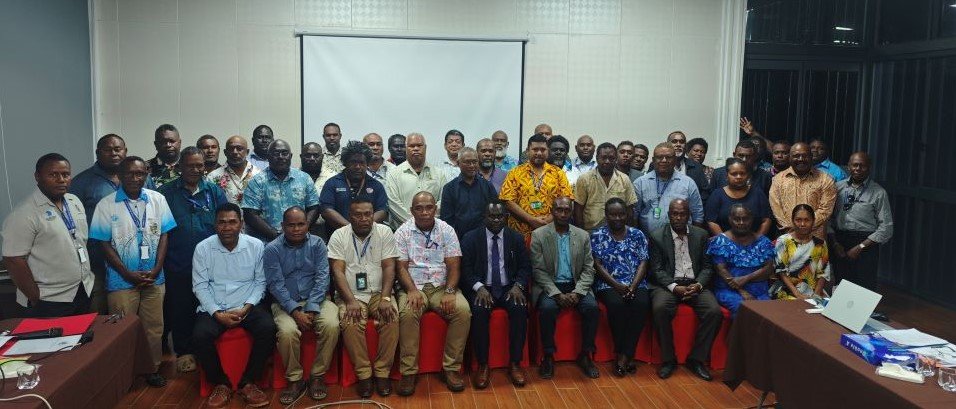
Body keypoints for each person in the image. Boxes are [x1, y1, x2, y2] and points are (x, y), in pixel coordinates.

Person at [89, 156, 176, 387]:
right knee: (121, 330)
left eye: (140, 174)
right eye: (129, 174)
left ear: (146, 175)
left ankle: (152, 368)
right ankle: (123, 374)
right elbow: (103, 243)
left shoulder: (158, 199)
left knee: (154, 328)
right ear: (119, 176)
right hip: (121, 280)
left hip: (154, 278)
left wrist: (157, 268)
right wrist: (126, 273)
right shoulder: (106, 204)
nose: (135, 178)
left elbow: (165, 234)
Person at [192, 203, 274, 408]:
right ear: (215, 225)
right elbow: (200, 286)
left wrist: (247, 306)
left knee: (268, 328)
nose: (227, 227)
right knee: (200, 335)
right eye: (222, 222)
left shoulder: (255, 245)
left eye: (232, 222)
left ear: (241, 224)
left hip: (247, 305)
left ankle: (249, 382)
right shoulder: (203, 248)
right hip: (215, 305)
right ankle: (221, 383)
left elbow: (260, 282)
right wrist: (217, 313)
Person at [158, 147, 228, 373]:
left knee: (209, 307)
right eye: (190, 165)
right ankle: (184, 351)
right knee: (180, 308)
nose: (196, 170)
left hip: (212, 264)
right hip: (178, 262)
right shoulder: (165, 194)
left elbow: (225, 222)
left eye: (200, 165)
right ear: (180, 167)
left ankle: (208, 349)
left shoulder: (214, 192)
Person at [393, 192, 470, 395]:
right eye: (419, 208)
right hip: (413, 285)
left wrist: (450, 291)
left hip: (441, 285)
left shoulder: (446, 230)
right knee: (407, 313)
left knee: (462, 311)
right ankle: (409, 372)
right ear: (412, 211)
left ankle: (451, 368)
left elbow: (454, 264)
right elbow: (400, 267)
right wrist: (411, 290)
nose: (425, 212)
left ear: (435, 209)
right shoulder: (402, 232)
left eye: (429, 207)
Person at [71, 134, 155, 313]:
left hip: (141, 262)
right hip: (99, 262)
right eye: (107, 150)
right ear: (97, 152)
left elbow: (155, 211)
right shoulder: (81, 182)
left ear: (125, 151)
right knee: (102, 314)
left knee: (145, 316)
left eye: (118, 149)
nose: (114, 153)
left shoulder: (144, 178)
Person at [3, 153, 93, 317]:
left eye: (66, 174)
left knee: (84, 334)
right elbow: (13, 260)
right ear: (37, 177)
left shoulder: (74, 201)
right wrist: (35, 297)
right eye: (53, 175)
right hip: (50, 300)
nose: (61, 180)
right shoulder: (24, 213)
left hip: (82, 290)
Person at [264, 207, 338, 404]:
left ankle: (317, 376)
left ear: (307, 225)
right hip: (285, 302)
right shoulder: (272, 249)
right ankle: (294, 379)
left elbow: (323, 277)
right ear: (283, 226)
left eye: (301, 224)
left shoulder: (318, 244)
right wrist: (295, 311)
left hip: (318, 299)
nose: (296, 229)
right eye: (291, 225)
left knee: (331, 324)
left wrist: (312, 308)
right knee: (287, 332)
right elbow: (275, 285)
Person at [328, 197, 400, 398]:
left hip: (379, 292)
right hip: (351, 294)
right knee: (350, 321)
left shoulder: (384, 232)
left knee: (392, 317)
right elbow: (337, 271)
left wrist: (386, 298)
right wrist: (350, 301)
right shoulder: (339, 235)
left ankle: (382, 373)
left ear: (373, 214)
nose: (364, 219)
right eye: (358, 215)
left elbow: (389, 266)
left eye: (368, 214)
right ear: (350, 216)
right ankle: (364, 375)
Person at [647, 199, 722, 381]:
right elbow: (657, 270)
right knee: (660, 308)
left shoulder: (701, 235)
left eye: (682, 214)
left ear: (689, 216)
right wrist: (674, 287)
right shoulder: (657, 236)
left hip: (695, 284)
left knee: (714, 312)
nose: (678, 218)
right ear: (668, 215)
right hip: (668, 285)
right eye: (675, 214)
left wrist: (698, 285)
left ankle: (696, 359)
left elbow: (707, 267)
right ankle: (668, 360)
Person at [459, 200, 530, 388]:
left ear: (506, 217)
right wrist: (478, 287)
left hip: (509, 288)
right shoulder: (470, 238)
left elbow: (525, 267)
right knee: (479, 311)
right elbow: (465, 269)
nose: (496, 220)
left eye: (500, 216)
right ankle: (483, 365)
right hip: (483, 288)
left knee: (520, 309)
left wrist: (518, 286)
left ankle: (515, 363)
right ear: (484, 217)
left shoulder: (516, 238)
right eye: (492, 216)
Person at [531, 196, 600, 379]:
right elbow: (538, 271)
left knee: (592, 308)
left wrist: (578, 292)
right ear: (552, 211)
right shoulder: (539, 235)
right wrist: (556, 294)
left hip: (576, 284)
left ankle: (585, 355)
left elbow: (588, 269)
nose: (563, 214)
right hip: (550, 284)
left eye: (567, 210)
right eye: (559, 210)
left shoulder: (582, 235)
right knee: (547, 309)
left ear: (571, 212)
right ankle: (548, 356)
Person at [591, 198, 650, 377]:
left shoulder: (637, 234)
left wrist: (633, 286)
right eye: (613, 214)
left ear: (627, 214)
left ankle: (623, 355)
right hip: (608, 283)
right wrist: (616, 285)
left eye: (621, 214)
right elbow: (597, 264)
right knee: (616, 305)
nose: (617, 218)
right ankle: (626, 355)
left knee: (641, 304)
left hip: (635, 282)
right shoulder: (597, 235)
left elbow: (643, 262)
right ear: (606, 215)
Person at [829, 152, 893, 292]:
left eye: (862, 166)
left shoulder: (878, 192)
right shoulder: (837, 188)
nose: (858, 168)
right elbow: (828, 219)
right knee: (841, 284)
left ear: (869, 168)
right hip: (840, 242)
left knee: (864, 287)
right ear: (849, 166)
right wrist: (835, 243)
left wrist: (861, 247)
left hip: (866, 243)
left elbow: (886, 228)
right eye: (855, 165)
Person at [499, 133, 573, 243]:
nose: (539, 153)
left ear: (547, 151)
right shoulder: (515, 172)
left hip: (550, 231)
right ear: (527, 151)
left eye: (543, 150)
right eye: (535, 149)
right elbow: (508, 201)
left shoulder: (558, 173)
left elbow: (566, 199)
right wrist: (530, 219)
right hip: (520, 233)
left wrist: (547, 220)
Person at [241, 139, 320, 242]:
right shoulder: (256, 181)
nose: (280, 157)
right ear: (268, 157)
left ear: (290, 156)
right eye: (276, 153)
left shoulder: (304, 178)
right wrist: (277, 236)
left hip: (301, 242)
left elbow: (314, 208)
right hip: (268, 243)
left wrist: (301, 231)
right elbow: (250, 215)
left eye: (284, 153)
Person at [706, 204, 776, 317]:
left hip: (760, 290)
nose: (741, 222)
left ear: (751, 219)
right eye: (737, 219)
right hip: (730, 290)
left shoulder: (763, 242)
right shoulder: (721, 242)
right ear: (730, 219)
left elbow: (768, 269)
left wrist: (746, 278)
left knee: (769, 313)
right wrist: (743, 292)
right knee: (743, 309)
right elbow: (722, 271)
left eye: (745, 219)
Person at [769, 142, 837, 240]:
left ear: (811, 157)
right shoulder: (778, 180)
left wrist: (802, 228)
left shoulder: (826, 180)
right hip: (786, 237)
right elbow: (776, 208)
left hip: (815, 239)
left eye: (805, 156)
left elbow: (825, 210)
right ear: (790, 158)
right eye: (796, 156)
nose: (801, 159)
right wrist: (793, 229)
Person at [634, 142, 705, 233]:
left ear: (675, 160)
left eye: (668, 157)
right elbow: (634, 215)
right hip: (647, 238)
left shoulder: (688, 183)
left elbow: (697, 214)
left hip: (680, 238)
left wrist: (693, 237)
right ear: (653, 160)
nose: (664, 160)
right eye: (659, 157)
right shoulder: (640, 183)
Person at [319, 141, 388, 233]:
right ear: (345, 163)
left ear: (367, 164)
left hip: (369, 235)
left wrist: (364, 226)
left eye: (362, 163)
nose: (358, 167)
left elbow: (382, 211)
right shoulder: (332, 183)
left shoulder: (376, 185)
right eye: (353, 162)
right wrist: (350, 230)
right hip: (338, 236)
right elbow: (326, 210)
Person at [385, 133, 447, 229]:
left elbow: (443, 201)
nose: (416, 149)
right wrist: (415, 224)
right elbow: (394, 204)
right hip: (403, 231)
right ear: (406, 148)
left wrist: (429, 220)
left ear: (425, 148)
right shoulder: (393, 174)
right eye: (412, 146)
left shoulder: (439, 173)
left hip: (434, 230)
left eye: (419, 145)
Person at [573, 143, 638, 231]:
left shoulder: (624, 179)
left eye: (611, 158)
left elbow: (630, 210)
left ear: (616, 159)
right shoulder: (584, 179)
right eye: (603, 158)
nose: (607, 161)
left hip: (617, 232)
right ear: (597, 158)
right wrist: (582, 234)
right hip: (591, 231)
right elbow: (578, 210)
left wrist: (627, 234)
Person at [772, 204, 832, 300]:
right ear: (793, 221)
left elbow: (823, 273)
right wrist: (798, 295)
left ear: (813, 221)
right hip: (787, 291)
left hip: (813, 291)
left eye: (807, 220)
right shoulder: (783, 241)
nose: (802, 224)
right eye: (798, 220)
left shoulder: (820, 244)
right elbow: (781, 271)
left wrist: (816, 295)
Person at [440, 147, 498, 238]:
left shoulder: (487, 186)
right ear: (458, 163)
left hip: (484, 238)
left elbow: (495, 214)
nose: (471, 165)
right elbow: (447, 220)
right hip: (458, 239)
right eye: (467, 162)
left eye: (475, 162)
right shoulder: (449, 188)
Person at [705, 158, 772, 236]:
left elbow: (766, 220)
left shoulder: (758, 193)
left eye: (742, 173)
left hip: (754, 240)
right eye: (734, 174)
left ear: (748, 176)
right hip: (724, 241)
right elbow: (711, 221)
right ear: (727, 176)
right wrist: (725, 240)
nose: (739, 177)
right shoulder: (717, 195)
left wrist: (757, 239)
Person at [207, 135, 261, 205]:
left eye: (239, 149)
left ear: (247, 152)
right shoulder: (213, 177)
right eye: (231, 149)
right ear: (225, 152)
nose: (235, 152)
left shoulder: (259, 174)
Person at [666, 131, 710, 200]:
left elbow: (705, 193)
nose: (678, 144)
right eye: (674, 141)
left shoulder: (697, 167)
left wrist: (694, 205)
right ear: (667, 145)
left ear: (685, 146)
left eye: (682, 142)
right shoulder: (657, 164)